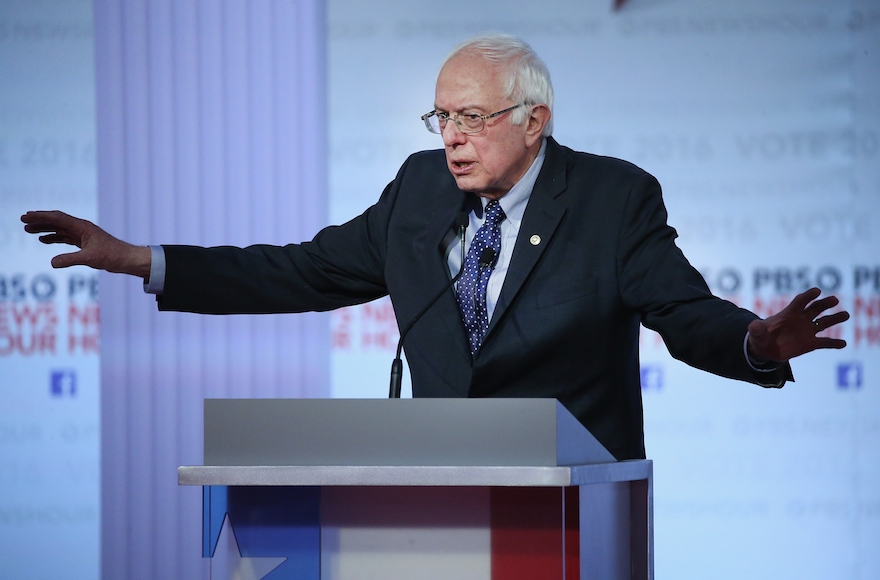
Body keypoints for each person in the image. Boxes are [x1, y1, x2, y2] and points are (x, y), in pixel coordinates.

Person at [21, 33, 848, 460]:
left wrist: (753, 343)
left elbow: (681, 309)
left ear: (535, 121)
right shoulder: (420, 189)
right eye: (442, 117)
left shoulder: (610, 198)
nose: (452, 138)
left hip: (572, 506)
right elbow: (303, 270)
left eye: (473, 118)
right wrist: (140, 259)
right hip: (441, 497)